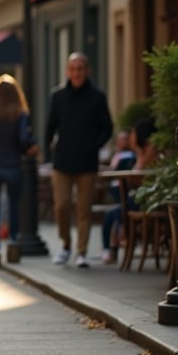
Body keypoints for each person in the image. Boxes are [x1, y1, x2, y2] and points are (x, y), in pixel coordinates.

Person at [44, 52, 113, 268]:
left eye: (80, 68)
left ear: (87, 71)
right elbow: (49, 128)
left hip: (87, 162)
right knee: (62, 206)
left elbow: (108, 127)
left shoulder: (97, 97)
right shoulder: (58, 97)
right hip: (62, 161)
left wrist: (95, 144)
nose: (76, 73)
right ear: (67, 71)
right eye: (73, 69)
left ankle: (81, 251)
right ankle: (65, 245)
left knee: (84, 209)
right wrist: (48, 154)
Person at [0, 74, 37, 267]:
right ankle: (11, 242)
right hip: (13, 166)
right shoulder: (21, 114)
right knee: (13, 207)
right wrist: (28, 147)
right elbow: (23, 140)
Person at [101, 118, 157, 264]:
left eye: (132, 134)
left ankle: (113, 247)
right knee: (115, 212)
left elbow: (139, 176)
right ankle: (112, 247)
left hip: (148, 199)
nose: (131, 138)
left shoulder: (150, 151)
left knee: (114, 213)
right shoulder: (140, 153)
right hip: (139, 197)